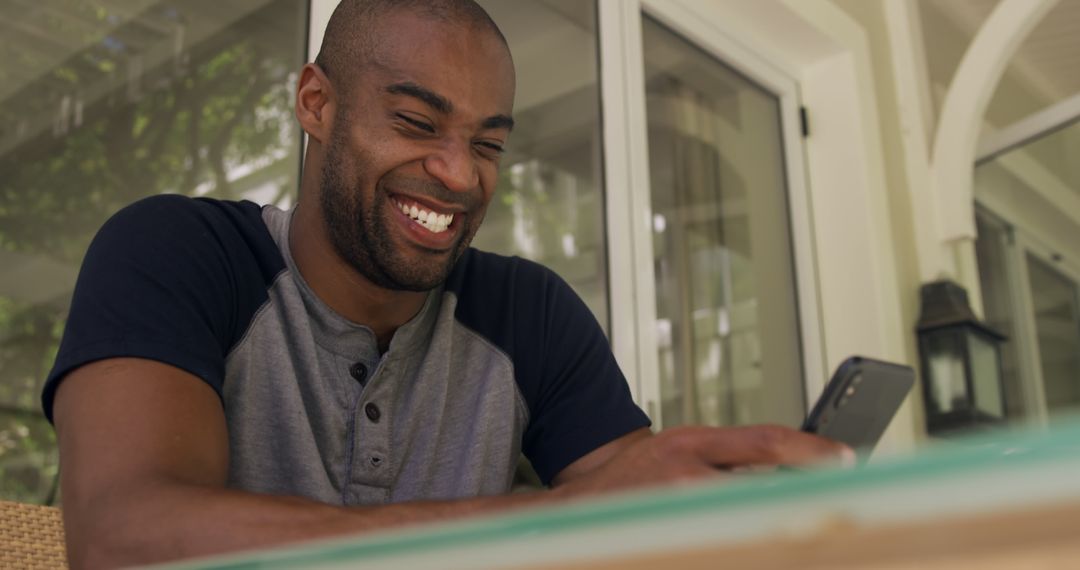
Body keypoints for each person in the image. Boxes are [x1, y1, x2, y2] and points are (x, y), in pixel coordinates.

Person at [43, 1, 852, 568]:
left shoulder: (530, 314)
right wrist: (556, 519)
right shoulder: (178, 251)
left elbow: (634, 526)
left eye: (489, 144)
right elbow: (125, 541)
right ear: (316, 103)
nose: (459, 174)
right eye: (418, 125)